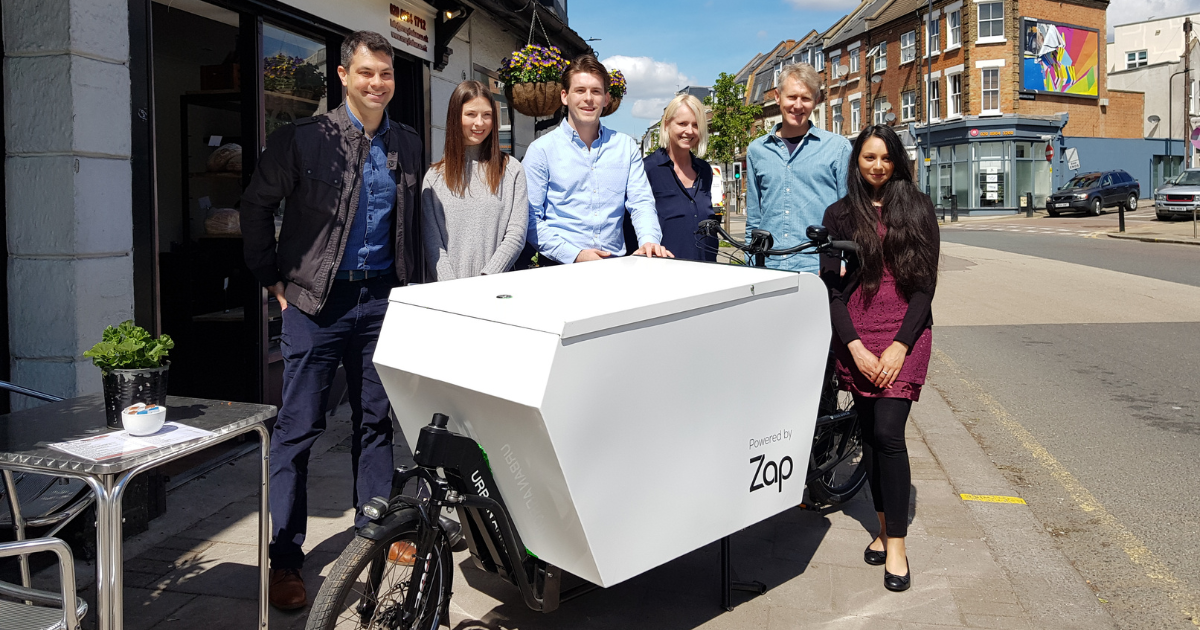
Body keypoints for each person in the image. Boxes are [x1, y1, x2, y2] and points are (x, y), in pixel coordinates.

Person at [239, 31, 424, 610]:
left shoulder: (408, 145)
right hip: (315, 306)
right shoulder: (305, 139)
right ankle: (285, 560)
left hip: (381, 304)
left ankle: (374, 536)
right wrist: (271, 276)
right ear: (343, 75)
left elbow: (416, 223)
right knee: (298, 430)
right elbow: (255, 205)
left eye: (386, 74)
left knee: (375, 426)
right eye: (366, 73)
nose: (377, 84)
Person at [820, 125, 940, 593]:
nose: (877, 166)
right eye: (869, 157)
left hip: (904, 335)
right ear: (857, 162)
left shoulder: (917, 208)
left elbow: (925, 286)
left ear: (897, 162)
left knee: (889, 433)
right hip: (858, 335)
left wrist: (898, 345)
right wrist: (852, 345)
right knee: (868, 433)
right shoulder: (839, 215)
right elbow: (832, 290)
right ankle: (882, 525)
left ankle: (897, 545)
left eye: (886, 158)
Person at [523, 54, 672, 265]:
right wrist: (574, 255)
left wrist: (649, 241)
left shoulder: (625, 147)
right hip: (560, 268)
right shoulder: (541, 150)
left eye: (596, 91)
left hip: (614, 266)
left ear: (606, 98)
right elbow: (530, 219)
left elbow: (641, 203)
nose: (588, 99)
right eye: (580, 91)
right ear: (565, 96)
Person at [745, 63, 851, 273]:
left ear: (817, 101)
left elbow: (848, 213)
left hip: (819, 266)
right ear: (778, 96)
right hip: (770, 265)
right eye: (792, 97)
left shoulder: (838, 148)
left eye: (806, 98)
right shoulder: (757, 150)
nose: (798, 105)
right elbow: (754, 218)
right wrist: (750, 262)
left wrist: (844, 261)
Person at [422, 80, 527, 280]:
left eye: (487, 115)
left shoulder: (512, 170)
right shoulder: (434, 178)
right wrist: (451, 287)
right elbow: (432, 241)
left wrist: (486, 278)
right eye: (470, 114)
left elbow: (516, 234)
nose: (479, 123)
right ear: (455, 117)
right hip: (449, 294)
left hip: (496, 288)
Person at [628, 93, 717, 261]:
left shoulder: (704, 171)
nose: (689, 131)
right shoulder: (647, 169)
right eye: (682, 123)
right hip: (664, 272)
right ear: (667, 125)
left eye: (696, 125)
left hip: (706, 270)